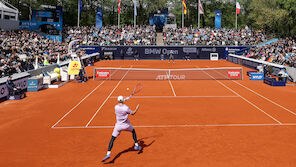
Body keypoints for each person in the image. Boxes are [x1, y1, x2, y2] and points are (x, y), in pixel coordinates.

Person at [101, 96, 141, 162]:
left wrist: (125, 99)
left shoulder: (116, 107)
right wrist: (137, 108)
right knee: (133, 131)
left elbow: (120, 103)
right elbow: (133, 113)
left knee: (112, 139)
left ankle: (108, 154)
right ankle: (136, 145)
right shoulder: (126, 108)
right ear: (122, 100)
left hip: (118, 126)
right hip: (126, 125)